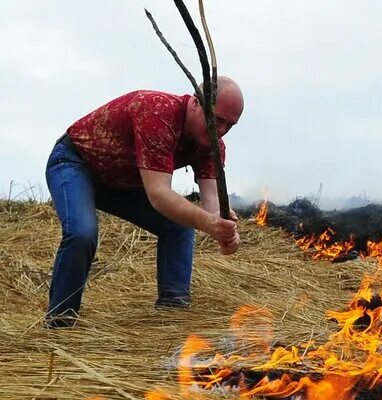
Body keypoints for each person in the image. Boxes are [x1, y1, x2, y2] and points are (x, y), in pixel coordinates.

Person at [43, 76, 244, 327]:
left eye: (230, 125)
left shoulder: (213, 145)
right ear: (195, 102)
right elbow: (159, 194)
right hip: (76, 164)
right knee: (82, 232)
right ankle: (60, 323)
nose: (222, 130)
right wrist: (209, 223)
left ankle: (173, 316)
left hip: (121, 182)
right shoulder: (158, 112)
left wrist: (225, 231)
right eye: (217, 120)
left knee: (179, 225)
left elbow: (212, 200)